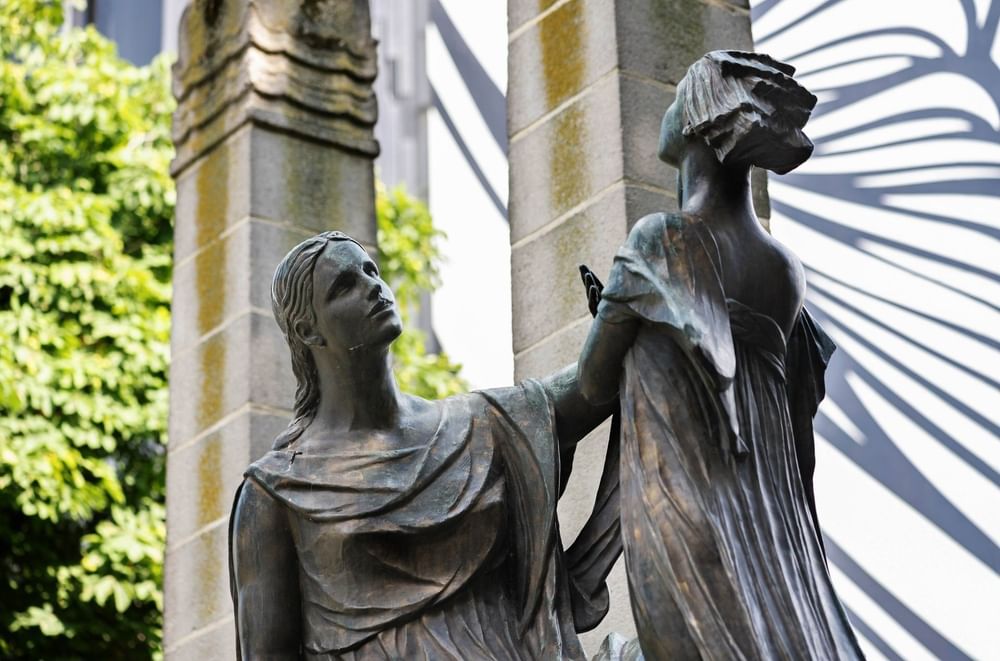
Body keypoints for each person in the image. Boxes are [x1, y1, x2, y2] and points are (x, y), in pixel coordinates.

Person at [577, 51, 865, 660]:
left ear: (700, 119)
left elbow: (591, 385)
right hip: (772, 533)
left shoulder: (661, 240)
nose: (669, 106)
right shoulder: (784, 269)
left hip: (687, 514)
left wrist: (615, 318)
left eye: (680, 93)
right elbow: (788, 414)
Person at [229, 233, 619, 660]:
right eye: (345, 285)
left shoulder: (479, 425)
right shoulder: (276, 491)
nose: (373, 287)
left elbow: (586, 389)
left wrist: (623, 314)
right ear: (308, 330)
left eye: (370, 271)